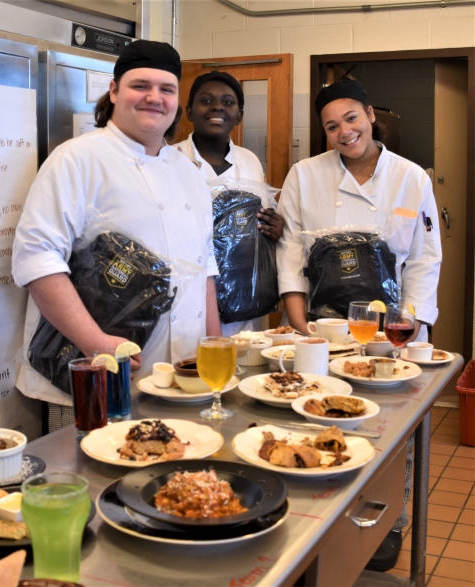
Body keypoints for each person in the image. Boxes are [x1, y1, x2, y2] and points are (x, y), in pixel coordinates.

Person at [12, 40, 222, 431]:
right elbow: (36, 260)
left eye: (167, 89)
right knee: (93, 487)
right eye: (140, 86)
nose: (154, 98)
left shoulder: (188, 172)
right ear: (113, 91)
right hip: (95, 376)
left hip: (182, 381)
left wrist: (212, 349)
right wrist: (96, 343)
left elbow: (203, 267)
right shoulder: (76, 159)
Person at [276, 78, 442, 571]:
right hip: (324, 329)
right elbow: (290, 254)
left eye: (351, 119)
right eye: (332, 126)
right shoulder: (305, 176)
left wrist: (409, 324)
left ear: (370, 115)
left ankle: (389, 522)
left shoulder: (411, 177)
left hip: (395, 330)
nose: (344, 132)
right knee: (325, 420)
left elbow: (424, 258)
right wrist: (300, 324)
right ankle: (322, 524)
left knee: (392, 430)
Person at [174, 71, 284, 336]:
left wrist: (276, 228)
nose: (217, 107)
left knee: (249, 369)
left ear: (239, 115)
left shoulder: (250, 161)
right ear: (189, 111)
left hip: (246, 293)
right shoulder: (171, 159)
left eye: (227, 102)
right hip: (192, 293)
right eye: (206, 100)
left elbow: (261, 222)